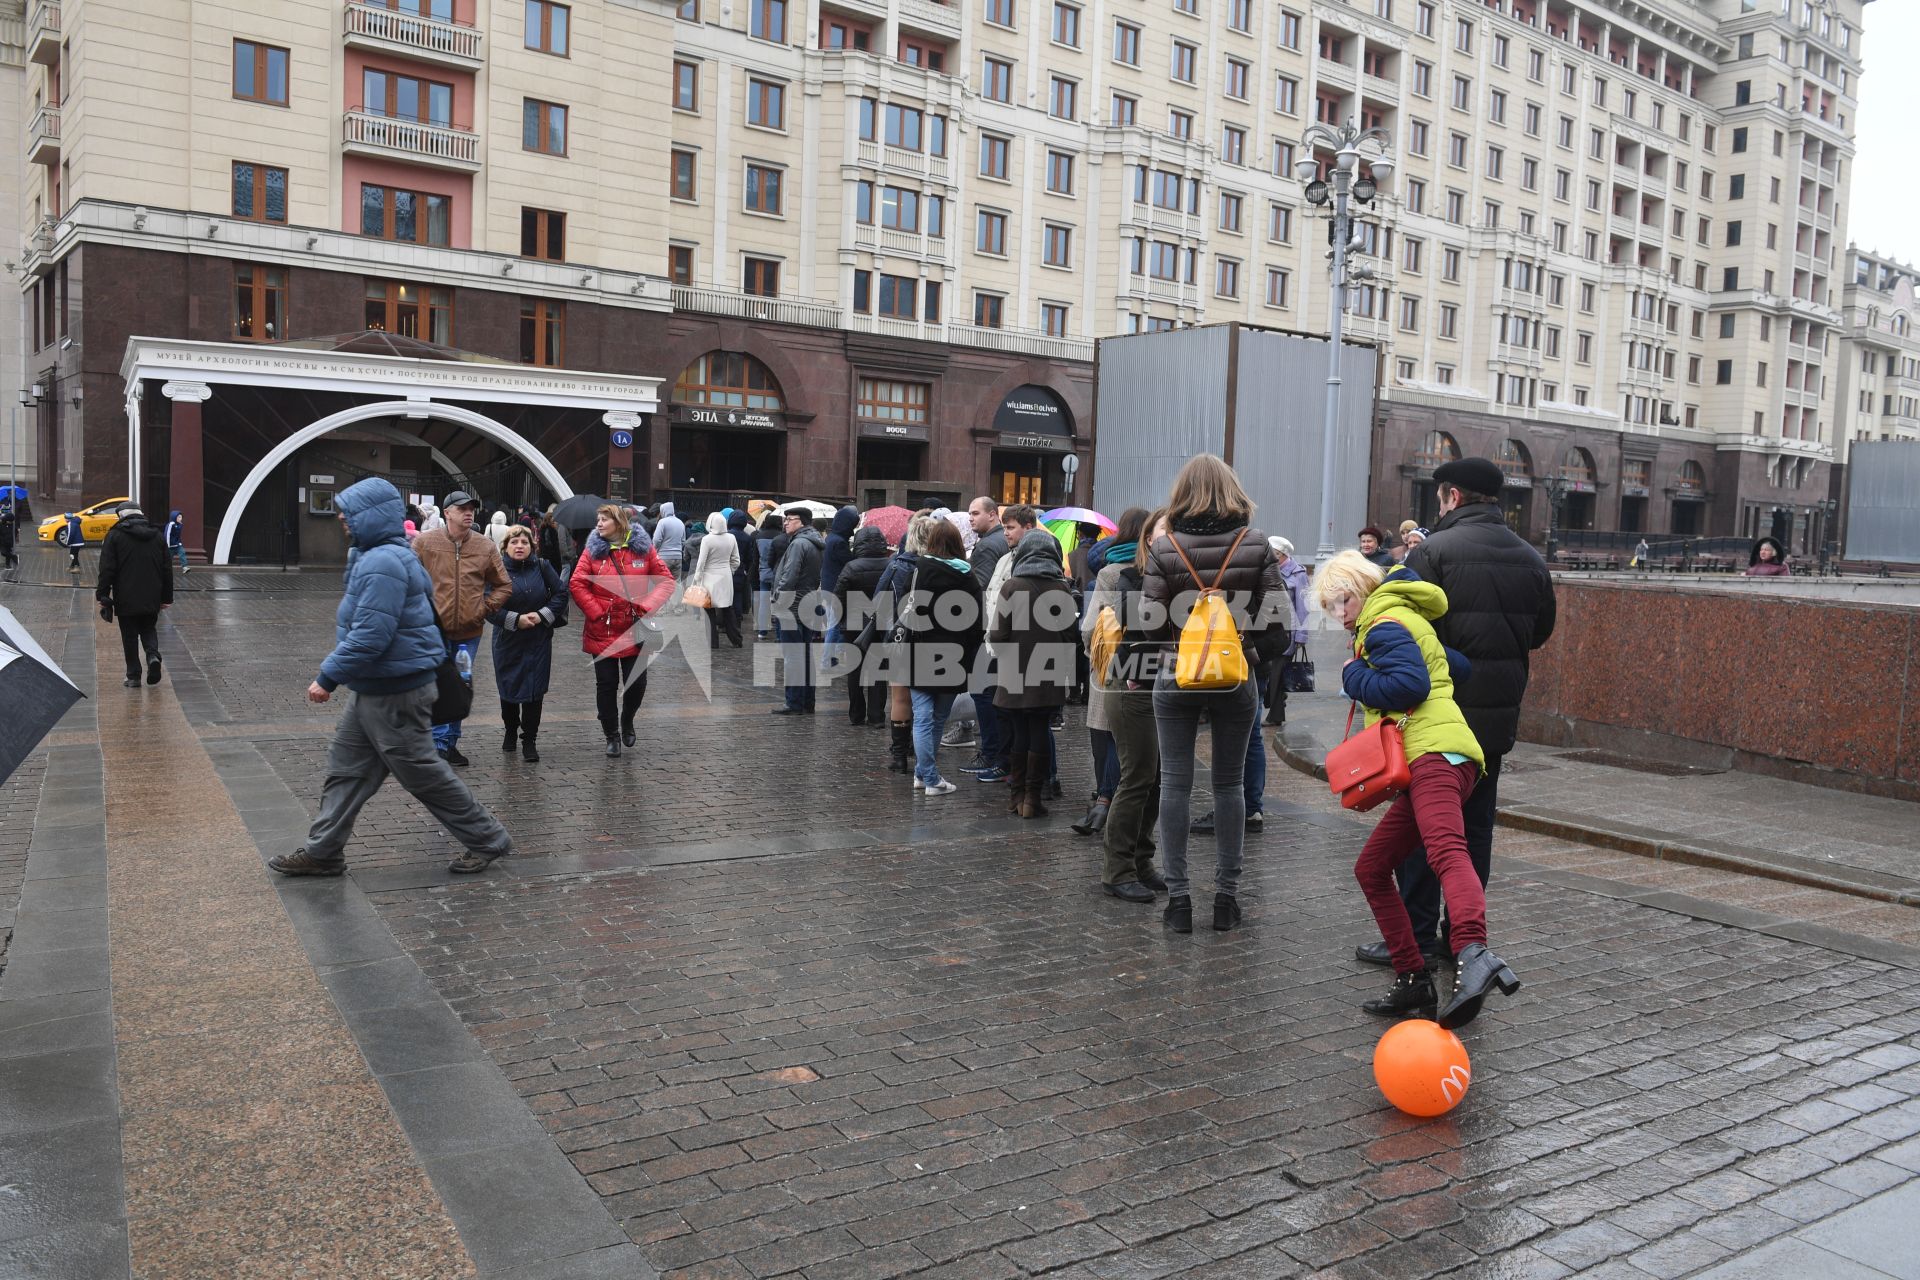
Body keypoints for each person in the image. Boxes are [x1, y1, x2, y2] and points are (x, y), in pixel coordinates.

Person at [1353, 455, 1556, 973]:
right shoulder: (1532, 558)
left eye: (1439, 496)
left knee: (1424, 831)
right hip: (1494, 721)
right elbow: (1539, 633)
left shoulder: (1434, 553)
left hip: (1435, 719)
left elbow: (1406, 631)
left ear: (1453, 496)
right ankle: (1459, 937)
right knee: (1476, 833)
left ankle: (1417, 938)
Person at [269, 478, 514, 877]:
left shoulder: (383, 562)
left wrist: (328, 676)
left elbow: (371, 634)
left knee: (423, 774)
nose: (342, 518)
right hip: (375, 687)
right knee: (346, 772)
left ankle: (487, 838)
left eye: (349, 512)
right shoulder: (377, 555)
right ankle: (324, 850)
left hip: (397, 690)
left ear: (372, 516)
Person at [1315, 550, 1520, 1028]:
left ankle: (1473, 952)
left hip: (1434, 756)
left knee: (1447, 850)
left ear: (1360, 589)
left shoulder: (1383, 625)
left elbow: (1409, 686)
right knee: (1372, 867)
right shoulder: (1405, 620)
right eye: (1330, 607)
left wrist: (1353, 675)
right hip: (1446, 753)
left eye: (1342, 601)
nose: (1339, 613)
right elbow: (1457, 668)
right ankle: (1413, 978)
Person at [1141, 454, 1283, 935]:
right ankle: (1226, 899)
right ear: (1233, 491)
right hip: (1235, 678)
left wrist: (1178, 649)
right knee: (1229, 784)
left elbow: (1147, 624)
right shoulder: (1256, 545)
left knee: (1175, 784)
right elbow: (1280, 629)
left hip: (1174, 677)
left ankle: (1179, 903)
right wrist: (1244, 651)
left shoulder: (1165, 549)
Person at [1092, 508, 1166, 901]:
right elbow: (1138, 626)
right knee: (1136, 778)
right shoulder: (1131, 578)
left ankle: (1141, 860)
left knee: (1153, 780)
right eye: (1166, 530)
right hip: (1132, 685)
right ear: (1149, 539)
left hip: (1161, 687)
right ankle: (1117, 870)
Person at [411, 490, 512, 767]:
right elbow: (407, 582)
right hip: (434, 633)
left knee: (459, 686)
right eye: (462, 508)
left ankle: (448, 743)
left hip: (469, 633)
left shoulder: (484, 546)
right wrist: (420, 614)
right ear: (447, 513)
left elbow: (503, 585)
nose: (469, 513)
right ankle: (438, 745)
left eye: (471, 508)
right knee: (437, 686)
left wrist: (484, 607)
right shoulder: (424, 543)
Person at [989, 524, 1078, 818]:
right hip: (1048, 671)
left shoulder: (1012, 586)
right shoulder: (1061, 588)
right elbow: (1071, 637)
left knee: (1018, 732)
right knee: (1039, 729)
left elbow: (997, 636)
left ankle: (1016, 797)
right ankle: (1032, 799)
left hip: (1014, 671)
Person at [570, 504, 672, 756]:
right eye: (598, 519)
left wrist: (647, 605)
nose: (599, 524)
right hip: (601, 630)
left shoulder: (642, 549)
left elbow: (666, 581)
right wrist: (595, 610)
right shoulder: (592, 552)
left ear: (618, 522)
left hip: (635, 628)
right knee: (606, 684)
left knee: (636, 683)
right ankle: (611, 734)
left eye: (604, 519)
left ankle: (627, 718)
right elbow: (577, 582)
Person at [1075, 508, 1150, 836]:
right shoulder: (1155, 570)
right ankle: (1110, 802)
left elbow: (1090, 627)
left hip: (1107, 665)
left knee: (1103, 735)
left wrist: (1093, 656)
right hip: (1143, 667)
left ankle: (1103, 801)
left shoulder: (1108, 572)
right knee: (1128, 743)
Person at [903, 520, 983, 795]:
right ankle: (930, 778)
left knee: (922, 717)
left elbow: (906, 608)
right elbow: (976, 626)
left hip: (919, 651)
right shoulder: (969, 577)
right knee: (937, 719)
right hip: (953, 657)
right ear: (959, 544)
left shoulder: (919, 570)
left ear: (932, 542)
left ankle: (924, 775)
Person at [488, 524, 569, 763]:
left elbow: (561, 594)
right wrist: (515, 620)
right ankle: (511, 729)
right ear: (505, 546)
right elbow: (487, 603)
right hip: (508, 639)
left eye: (524, 542)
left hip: (538, 638)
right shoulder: (496, 570)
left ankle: (530, 739)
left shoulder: (542, 567)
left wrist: (543, 614)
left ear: (532, 546)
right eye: (514, 542)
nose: (519, 546)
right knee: (509, 688)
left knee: (535, 691)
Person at [95, 505, 173, 689]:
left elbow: (107, 569)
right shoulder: (157, 535)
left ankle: (133, 676)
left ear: (121, 516)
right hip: (152, 595)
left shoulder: (114, 535)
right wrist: (166, 597)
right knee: (148, 629)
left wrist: (103, 594)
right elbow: (166, 569)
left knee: (129, 636)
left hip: (126, 596)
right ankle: (153, 655)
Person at [962, 496, 1011, 781]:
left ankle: (992, 753)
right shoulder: (1002, 542)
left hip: (988, 632)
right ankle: (998, 752)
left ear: (993, 515)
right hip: (1000, 631)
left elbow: (980, 592)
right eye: (969, 514)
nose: (971, 519)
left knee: (983, 692)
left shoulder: (987, 546)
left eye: (975, 513)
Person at [876, 515, 931, 771]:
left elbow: (879, 602)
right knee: (925, 701)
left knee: (899, 698)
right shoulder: (939, 567)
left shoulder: (897, 565)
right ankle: (918, 749)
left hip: (900, 639)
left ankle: (899, 756)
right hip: (931, 642)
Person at [770, 508, 825, 714]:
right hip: (807, 602)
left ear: (801, 522)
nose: (785, 523)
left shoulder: (799, 544)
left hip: (791, 605)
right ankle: (807, 701)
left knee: (793, 655)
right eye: (785, 520)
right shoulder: (815, 542)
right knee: (805, 655)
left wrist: (778, 599)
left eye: (790, 520)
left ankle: (794, 702)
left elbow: (789, 576)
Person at [837, 525, 892, 725]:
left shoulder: (851, 567)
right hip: (881, 624)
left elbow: (839, 597)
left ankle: (856, 714)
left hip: (854, 625)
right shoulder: (891, 565)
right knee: (878, 671)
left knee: (855, 671)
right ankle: (877, 716)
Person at [1263, 537, 1313, 727]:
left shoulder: (1298, 574)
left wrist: (1301, 635)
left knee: (1276, 675)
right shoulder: (1268, 570)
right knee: (1270, 674)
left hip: (1287, 633)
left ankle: (1275, 715)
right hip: (1267, 631)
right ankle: (1276, 708)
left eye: (1271, 554)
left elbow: (1303, 607)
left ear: (1281, 555)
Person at [691, 509, 743, 648]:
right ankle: (737, 640)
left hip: (709, 577)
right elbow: (736, 560)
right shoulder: (731, 538)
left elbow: (701, 562)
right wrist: (729, 571)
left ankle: (713, 642)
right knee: (727, 609)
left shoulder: (707, 540)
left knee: (709, 612)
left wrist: (697, 579)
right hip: (725, 577)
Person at [728, 510, 759, 636]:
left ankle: (725, 624)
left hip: (726, 570)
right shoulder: (747, 538)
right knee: (737, 597)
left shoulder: (727, 535)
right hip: (740, 571)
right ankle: (737, 622)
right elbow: (749, 557)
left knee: (726, 597)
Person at [753, 512, 782, 639]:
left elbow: (755, 557)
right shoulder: (783, 537)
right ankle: (779, 634)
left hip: (763, 572)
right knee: (780, 603)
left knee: (764, 602)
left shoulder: (759, 536)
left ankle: (762, 631)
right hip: (779, 574)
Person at [653, 501, 686, 578]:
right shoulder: (680, 522)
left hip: (664, 557)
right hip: (678, 557)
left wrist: (655, 551)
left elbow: (657, 540)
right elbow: (683, 541)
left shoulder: (662, 522)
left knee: (662, 581)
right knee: (676, 583)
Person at [162, 510, 192, 575]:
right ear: (174, 517)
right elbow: (167, 534)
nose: (180, 519)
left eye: (181, 517)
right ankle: (165, 569)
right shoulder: (171, 524)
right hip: (170, 545)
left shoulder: (180, 525)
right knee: (169, 558)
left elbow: (178, 535)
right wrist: (167, 544)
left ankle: (185, 567)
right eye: (178, 517)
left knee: (182, 552)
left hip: (177, 545)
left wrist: (179, 543)